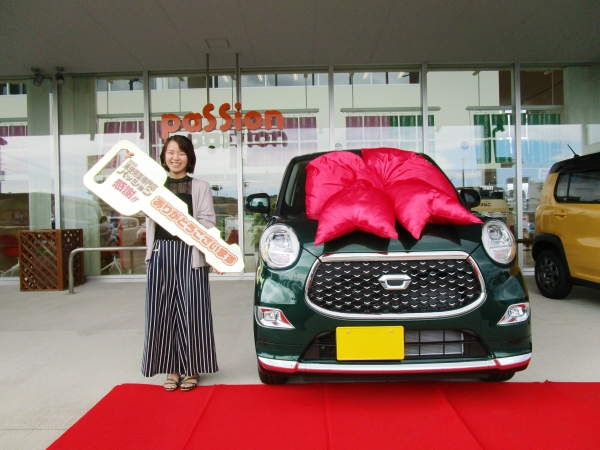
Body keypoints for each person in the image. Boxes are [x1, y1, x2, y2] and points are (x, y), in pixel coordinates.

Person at [127, 135, 222, 392]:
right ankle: (172, 369)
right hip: (161, 253)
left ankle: (192, 368)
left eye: (181, 153)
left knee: (193, 311)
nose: (175, 157)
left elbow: (208, 222)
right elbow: (138, 206)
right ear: (163, 156)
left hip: (191, 254)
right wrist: (131, 168)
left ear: (189, 158)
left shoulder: (200, 186)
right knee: (162, 312)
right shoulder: (154, 185)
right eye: (170, 152)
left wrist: (211, 252)